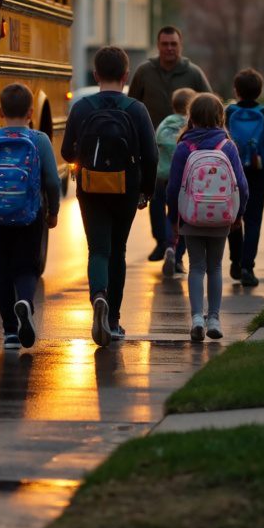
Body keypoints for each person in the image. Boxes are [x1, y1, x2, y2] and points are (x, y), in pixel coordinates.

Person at [62, 45, 157, 347]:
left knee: (98, 249)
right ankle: (113, 321)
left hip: (91, 188)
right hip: (126, 188)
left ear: (96, 74)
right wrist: (146, 190)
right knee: (118, 250)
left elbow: (66, 152)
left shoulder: (82, 108)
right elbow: (152, 155)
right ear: (126, 75)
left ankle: (98, 295)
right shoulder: (136, 110)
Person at [0, 82, 61, 350]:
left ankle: (10, 332)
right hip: (29, 214)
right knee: (27, 267)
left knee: (1, 271)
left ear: (0, 112)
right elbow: (52, 181)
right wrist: (53, 210)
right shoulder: (39, 140)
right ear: (31, 113)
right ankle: (24, 301)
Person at [166, 93, 248, 342]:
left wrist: (174, 219)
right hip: (221, 217)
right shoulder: (227, 146)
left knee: (196, 267)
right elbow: (242, 186)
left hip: (191, 217)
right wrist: (238, 215)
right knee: (215, 267)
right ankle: (214, 318)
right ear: (220, 117)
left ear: (191, 117)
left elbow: (173, 188)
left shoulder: (184, 147)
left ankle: (196, 319)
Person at [127, 25, 212, 261]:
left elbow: (210, 103)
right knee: (155, 196)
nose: (169, 48)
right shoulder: (145, 72)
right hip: (153, 148)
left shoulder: (193, 73)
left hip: (188, 149)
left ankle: (177, 247)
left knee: (183, 198)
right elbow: (131, 105)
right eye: (165, 44)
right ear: (158, 46)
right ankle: (161, 243)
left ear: (180, 45)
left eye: (173, 44)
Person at [225, 68, 264, 287]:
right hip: (258, 171)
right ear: (259, 91)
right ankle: (247, 267)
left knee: (234, 217)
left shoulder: (228, 113)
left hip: (232, 172)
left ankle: (235, 260)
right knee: (253, 220)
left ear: (236, 90)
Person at [154, 87, 197, 277]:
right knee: (183, 217)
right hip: (183, 178)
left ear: (173, 105)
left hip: (162, 175)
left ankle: (168, 247)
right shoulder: (190, 125)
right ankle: (178, 257)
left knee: (168, 215)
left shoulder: (164, 124)